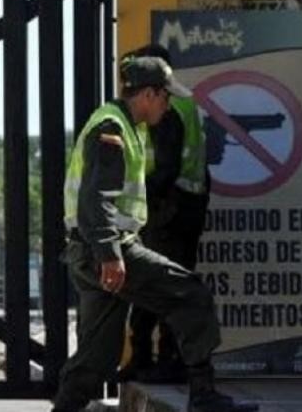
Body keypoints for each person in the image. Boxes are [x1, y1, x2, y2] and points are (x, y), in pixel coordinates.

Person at [52, 54, 257, 412]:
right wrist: (110, 254)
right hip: (110, 249)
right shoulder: (112, 129)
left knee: (97, 355)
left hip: (89, 251)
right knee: (191, 295)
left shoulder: (123, 124)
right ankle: (203, 396)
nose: (168, 103)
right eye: (165, 95)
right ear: (148, 94)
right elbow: (95, 198)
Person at [119, 44, 210, 384]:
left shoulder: (166, 108)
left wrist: (138, 201)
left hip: (167, 208)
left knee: (160, 285)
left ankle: (160, 360)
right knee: (168, 283)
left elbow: (167, 166)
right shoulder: (186, 103)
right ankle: (155, 358)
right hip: (187, 205)